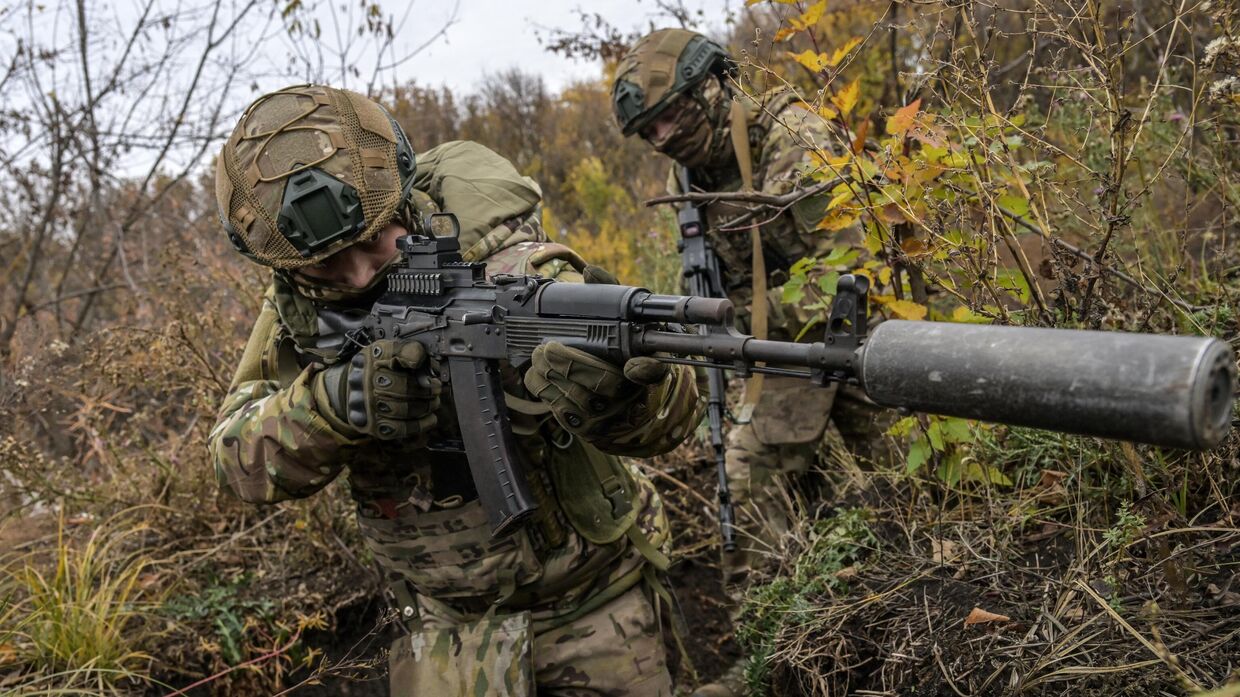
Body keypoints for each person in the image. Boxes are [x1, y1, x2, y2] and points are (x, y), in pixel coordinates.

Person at [208, 84, 704, 696]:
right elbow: (235, 460)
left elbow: (674, 419)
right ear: (286, 266)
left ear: (404, 198)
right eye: (327, 266)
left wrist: (622, 398)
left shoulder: (513, 267)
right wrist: (332, 406)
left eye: (372, 239)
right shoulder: (297, 310)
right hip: (442, 634)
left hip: (594, 607)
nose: (359, 272)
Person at [612, 30, 890, 695]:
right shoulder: (697, 168)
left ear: (714, 85)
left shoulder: (794, 141)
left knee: (901, 494)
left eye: (672, 116)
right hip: (768, 353)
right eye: (650, 129)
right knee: (755, 486)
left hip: (851, 346)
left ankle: (892, 618)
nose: (662, 138)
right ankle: (773, 648)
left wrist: (751, 342)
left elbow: (845, 276)